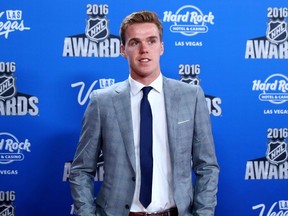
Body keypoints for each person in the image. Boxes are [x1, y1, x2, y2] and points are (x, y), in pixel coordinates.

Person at [69, 10, 219, 216]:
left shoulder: (190, 96)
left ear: (161, 47)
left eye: (151, 41)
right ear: (123, 49)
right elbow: (81, 170)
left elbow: (207, 167)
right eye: (134, 42)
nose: (144, 49)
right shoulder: (102, 101)